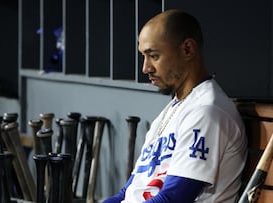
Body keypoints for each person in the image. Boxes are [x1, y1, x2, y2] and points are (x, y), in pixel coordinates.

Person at [102, 9, 247, 203]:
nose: (146, 68)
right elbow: (126, 194)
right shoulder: (173, 110)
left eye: (153, 56)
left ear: (187, 49)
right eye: (144, 57)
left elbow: (173, 199)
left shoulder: (206, 111)